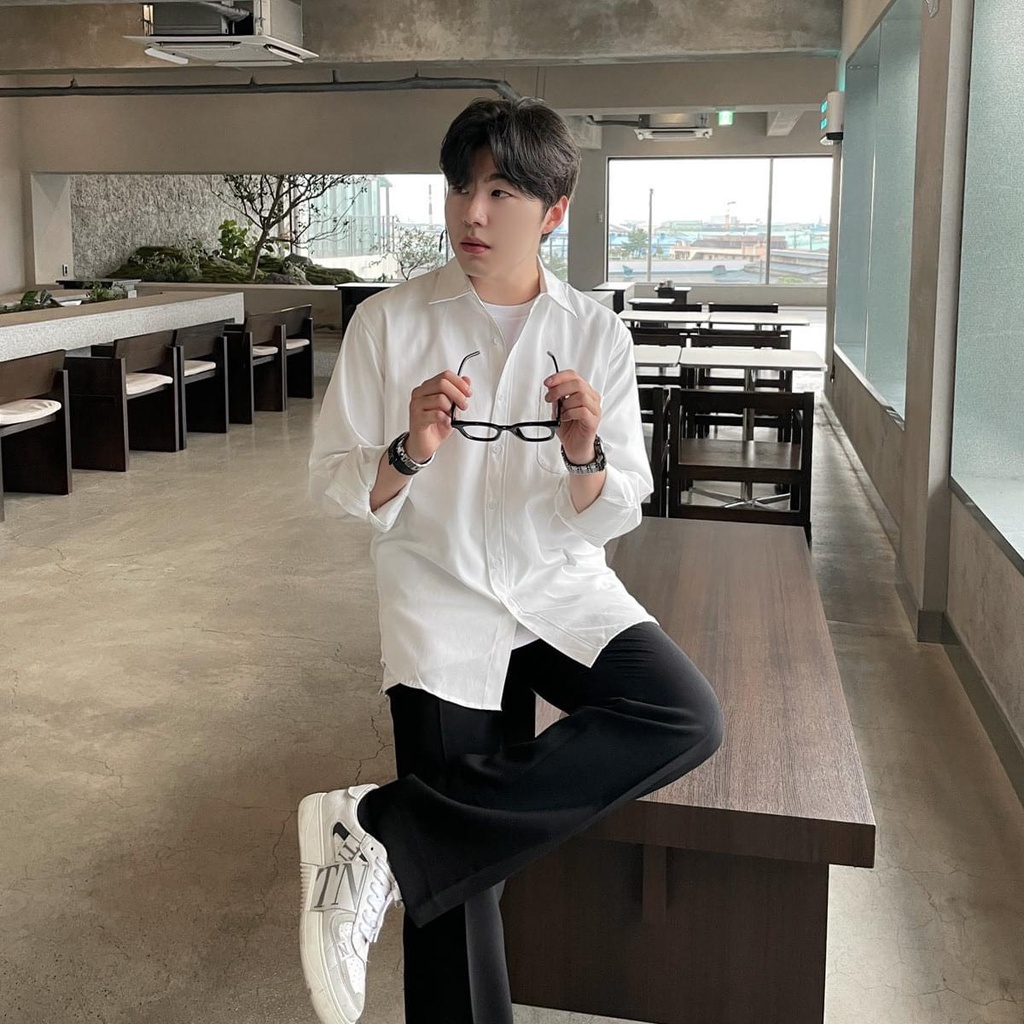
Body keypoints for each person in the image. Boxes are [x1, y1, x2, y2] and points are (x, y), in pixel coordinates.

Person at [301, 96, 724, 1024]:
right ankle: (403, 839)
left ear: (554, 209)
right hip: (440, 596)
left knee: (682, 714)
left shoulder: (596, 334)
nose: (473, 212)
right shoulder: (388, 323)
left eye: (500, 191)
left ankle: (381, 828)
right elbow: (335, 482)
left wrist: (583, 454)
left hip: (556, 591)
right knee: (460, 891)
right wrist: (408, 450)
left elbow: (619, 505)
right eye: (461, 187)